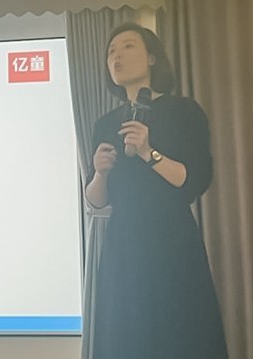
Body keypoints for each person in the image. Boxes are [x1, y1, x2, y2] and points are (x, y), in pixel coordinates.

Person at [86, 23, 228, 359]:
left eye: (128, 46)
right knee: (125, 333)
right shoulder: (105, 124)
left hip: (171, 238)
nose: (117, 56)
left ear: (152, 58)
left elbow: (194, 180)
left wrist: (149, 153)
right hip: (123, 243)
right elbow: (97, 200)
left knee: (179, 329)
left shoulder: (183, 111)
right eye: (111, 52)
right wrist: (100, 173)